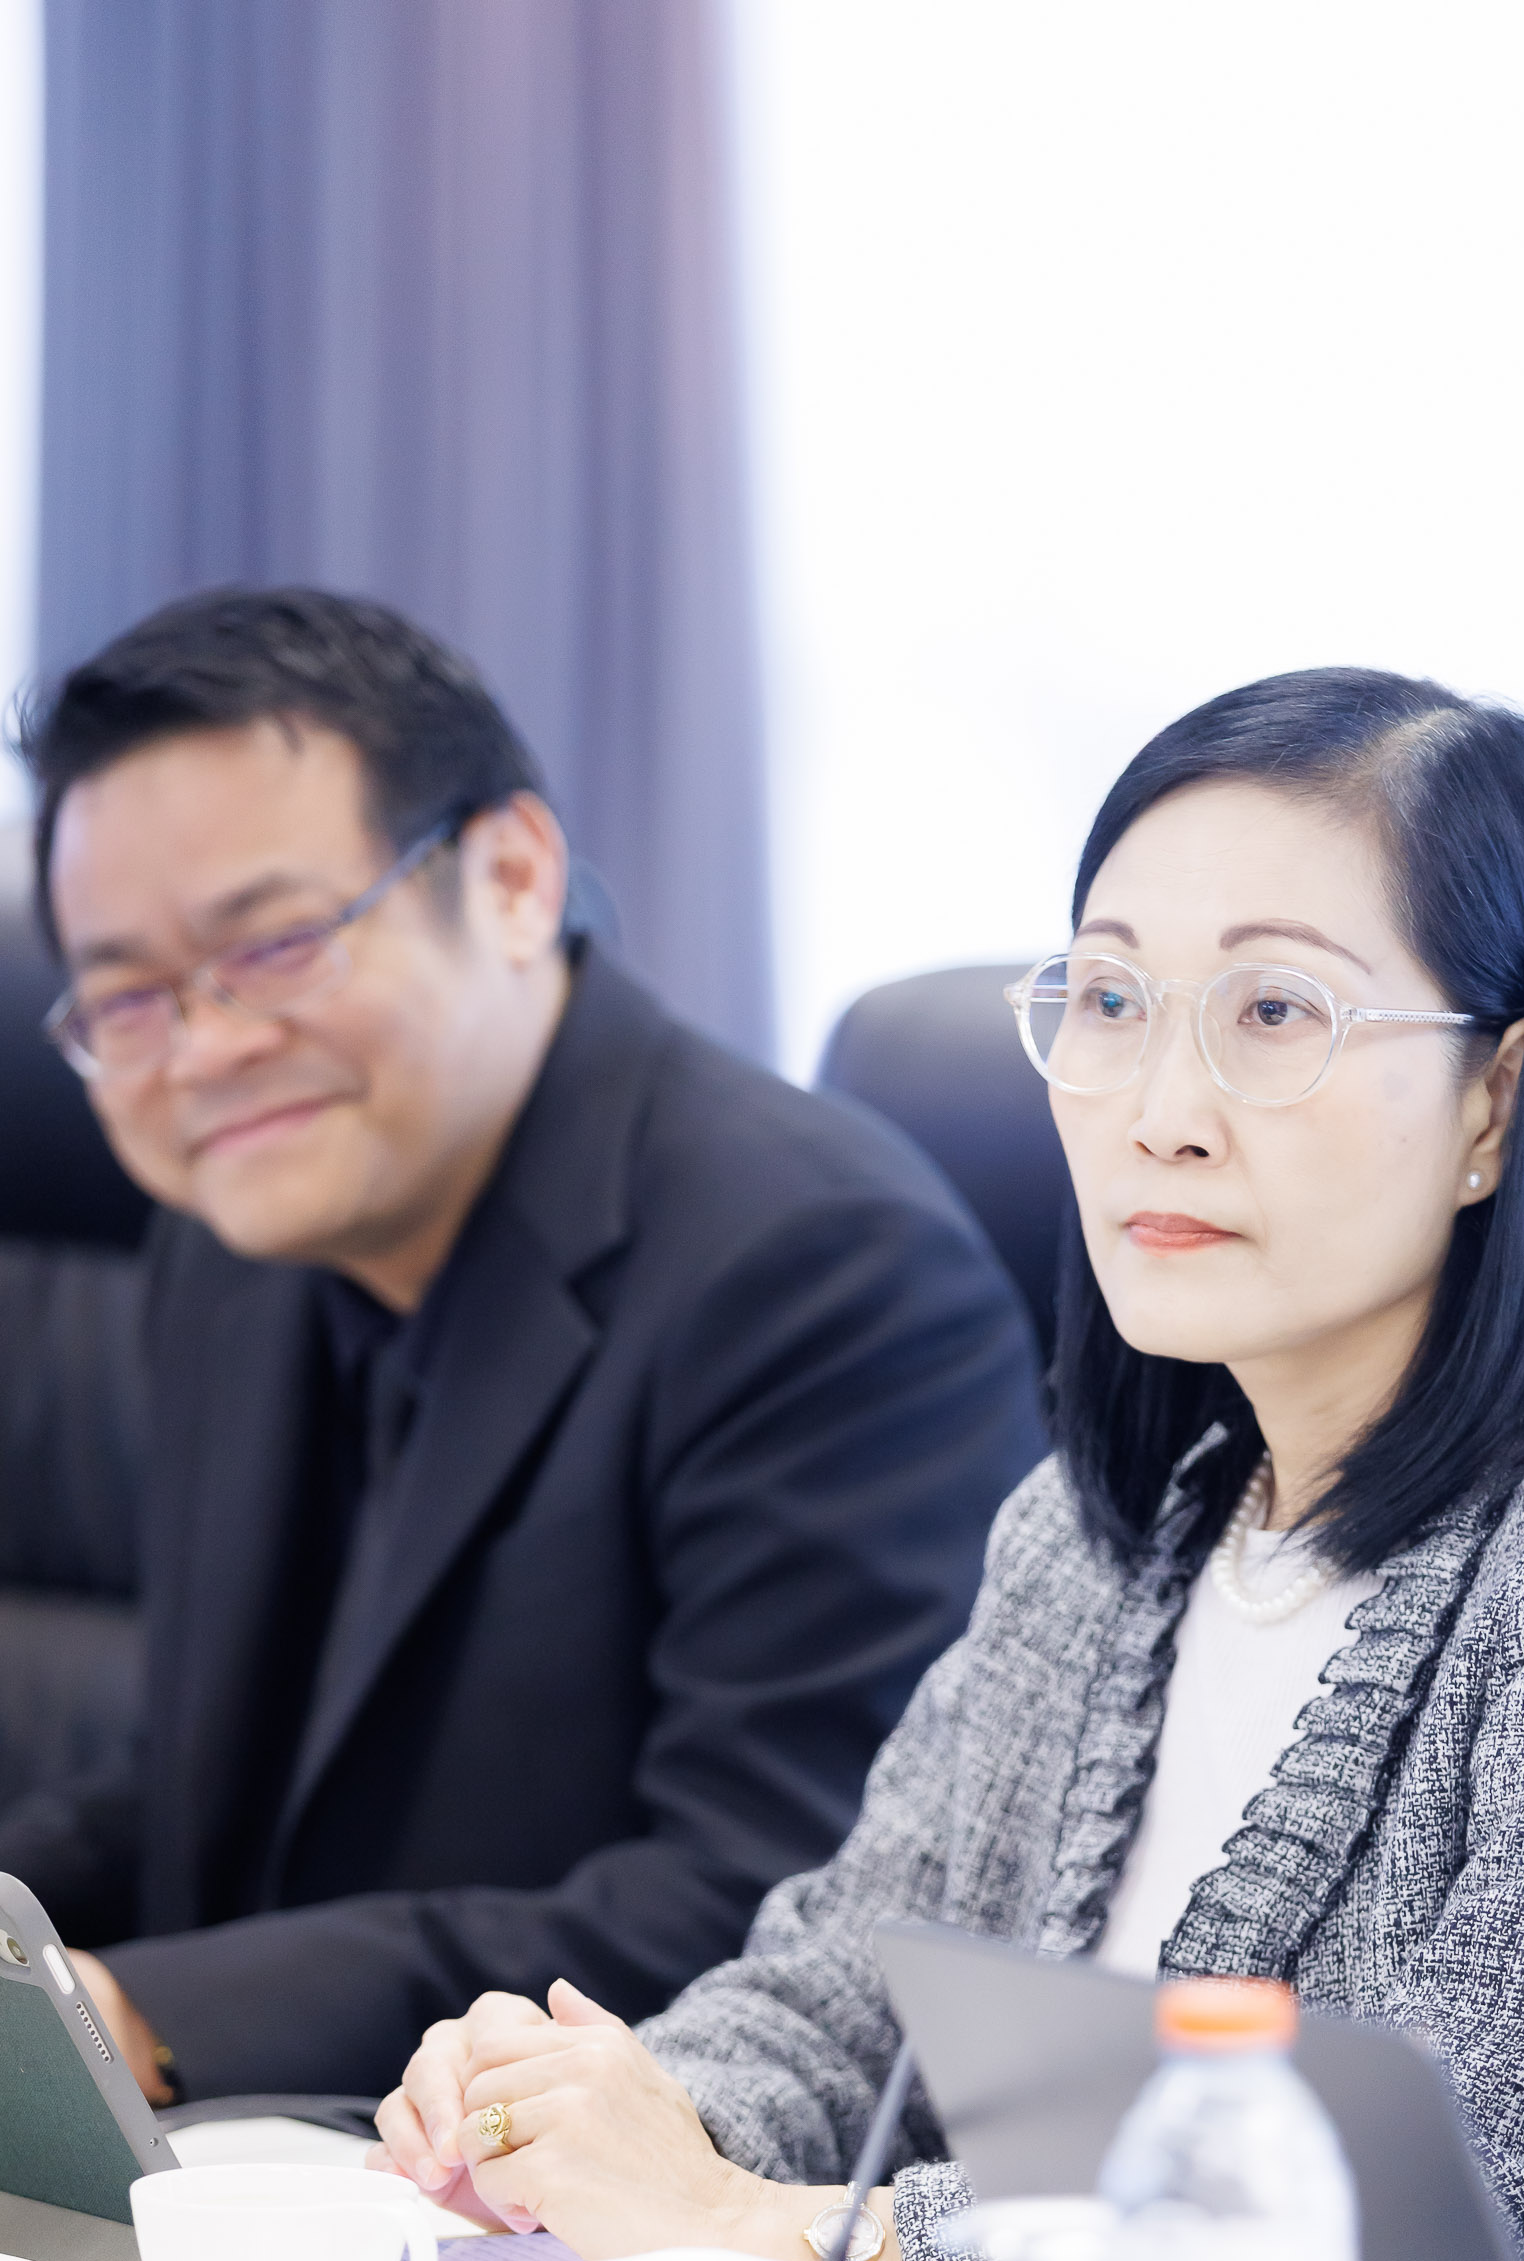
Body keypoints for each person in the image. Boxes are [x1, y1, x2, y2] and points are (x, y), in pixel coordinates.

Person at [376, 666, 1524, 2261]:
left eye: (1276, 1012)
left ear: (1497, 1104)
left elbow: (1423, 2231)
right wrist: (588, 2122)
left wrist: (760, 2228)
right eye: (1111, 1002)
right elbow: (842, 2001)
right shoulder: (1098, 1534)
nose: (1160, 1110)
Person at [0, 587, 1042, 2105]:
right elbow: (206, 1775)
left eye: (277, 946)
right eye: (125, 999)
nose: (207, 1050)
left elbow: (775, 1904)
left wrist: (139, 2013)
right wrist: (22, 1948)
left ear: (509, 878)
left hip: (606, 2193)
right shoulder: (236, 1240)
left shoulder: (819, 1266)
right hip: (304, 2159)